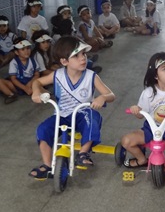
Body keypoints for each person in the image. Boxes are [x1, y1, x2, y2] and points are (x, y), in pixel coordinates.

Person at [29, 36, 115, 179]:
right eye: (76, 55)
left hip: (82, 113)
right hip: (62, 115)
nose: (83, 58)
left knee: (92, 118)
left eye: (84, 54)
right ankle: (47, 165)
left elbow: (111, 95)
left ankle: (83, 153)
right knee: (43, 129)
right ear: (64, 61)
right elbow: (37, 82)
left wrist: (103, 97)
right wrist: (36, 92)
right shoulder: (57, 75)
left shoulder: (91, 76)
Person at [0, 37, 41, 103]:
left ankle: (34, 91)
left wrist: (30, 83)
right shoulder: (14, 63)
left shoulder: (33, 61)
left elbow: (37, 74)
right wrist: (24, 88)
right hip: (17, 86)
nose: (26, 51)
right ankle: (11, 95)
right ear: (17, 52)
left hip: (30, 83)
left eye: (28, 48)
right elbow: (13, 79)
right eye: (23, 49)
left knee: (39, 84)